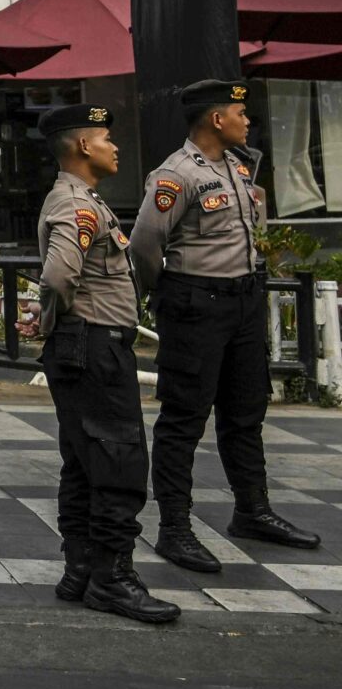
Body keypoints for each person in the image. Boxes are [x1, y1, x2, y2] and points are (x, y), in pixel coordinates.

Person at [129, 78, 322, 572]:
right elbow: (145, 246)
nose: (248, 121)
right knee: (184, 419)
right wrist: (161, 295)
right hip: (196, 304)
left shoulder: (237, 166)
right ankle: (175, 528)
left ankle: (252, 510)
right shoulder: (177, 174)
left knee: (245, 412)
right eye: (241, 113)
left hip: (243, 303)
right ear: (217, 119)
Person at [33, 104, 176, 624]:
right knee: (118, 463)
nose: (115, 146)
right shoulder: (77, 205)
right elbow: (56, 278)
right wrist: (52, 317)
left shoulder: (81, 200)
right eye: (105, 138)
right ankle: (112, 579)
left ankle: (83, 570)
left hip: (83, 343)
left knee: (85, 461)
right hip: (93, 346)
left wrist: (50, 321)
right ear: (82, 147)